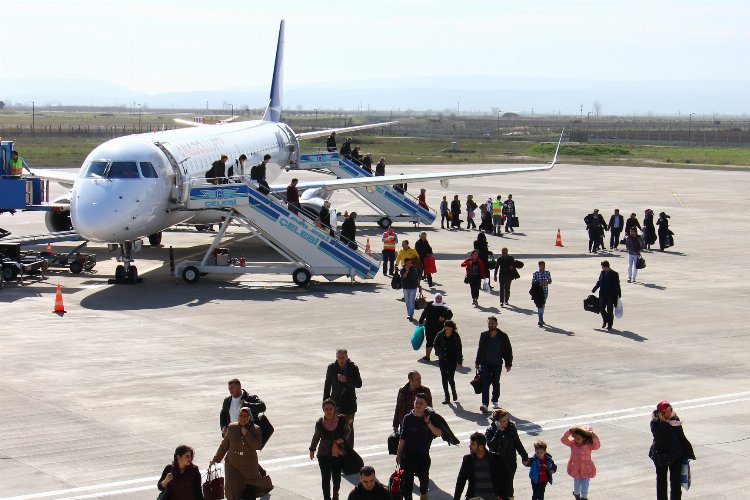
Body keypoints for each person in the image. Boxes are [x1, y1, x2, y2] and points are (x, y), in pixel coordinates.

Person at [210, 406, 268, 500]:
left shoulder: (255, 429)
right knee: (232, 491)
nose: (243, 418)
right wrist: (215, 460)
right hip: (233, 465)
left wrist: (247, 434)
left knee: (249, 493)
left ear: (250, 417)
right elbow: (224, 446)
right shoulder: (232, 427)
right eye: (241, 415)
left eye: (246, 416)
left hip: (249, 466)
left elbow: (257, 446)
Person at [396, 393, 442, 500]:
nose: (418, 405)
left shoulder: (430, 417)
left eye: (421, 403)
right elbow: (402, 438)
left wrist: (428, 423)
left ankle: (423, 495)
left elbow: (439, 433)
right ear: (414, 403)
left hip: (423, 455)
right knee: (407, 483)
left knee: (424, 481)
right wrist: (399, 454)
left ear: (426, 405)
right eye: (417, 402)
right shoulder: (407, 418)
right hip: (408, 455)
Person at [649, 401, 695, 500]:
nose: (670, 413)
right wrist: (663, 423)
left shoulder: (675, 419)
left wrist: (685, 453)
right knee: (661, 482)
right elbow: (659, 437)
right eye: (667, 411)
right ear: (661, 413)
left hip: (675, 455)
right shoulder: (655, 422)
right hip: (661, 456)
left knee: (675, 482)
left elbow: (679, 436)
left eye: (670, 410)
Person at [310, 398, 351, 500]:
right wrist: (312, 449)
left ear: (334, 409)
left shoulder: (341, 420)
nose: (328, 411)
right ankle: (327, 498)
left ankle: (335, 493)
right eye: (326, 409)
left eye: (330, 409)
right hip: (323, 454)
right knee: (325, 477)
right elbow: (316, 436)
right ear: (323, 410)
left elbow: (347, 431)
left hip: (337, 453)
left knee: (336, 476)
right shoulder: (319, 423)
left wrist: (342, 439)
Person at [486, 408, 529, 499]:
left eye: (506, 420)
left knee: (508, 488)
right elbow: (491, 445)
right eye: (503, 421)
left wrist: (524, 456)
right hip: (496, 465)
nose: (506, 422)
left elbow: (517, 443)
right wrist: (498, 431)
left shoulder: (511, 427)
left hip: (510, 463)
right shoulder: (490, 430)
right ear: (497, 422)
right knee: (497, 489)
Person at [323, 349, 362, 448]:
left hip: (349, 405)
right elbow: (327, 385)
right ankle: (336, 451)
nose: (341, 360)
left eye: (343, 358)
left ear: (347, 357)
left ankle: (349, 451)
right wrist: (325, 402)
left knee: (348, 428)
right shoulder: (332, 368)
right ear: (336, 357)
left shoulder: (353, 368)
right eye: (339, 358)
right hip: (335, 405)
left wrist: (346, 379)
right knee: (334, 428)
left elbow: (359, 384)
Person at [453, 432, 507, 500]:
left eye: (472, 444)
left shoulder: (497, 459)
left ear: (481, 447)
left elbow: (506, 478)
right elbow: (461, 481)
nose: (470, 446)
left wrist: (502, 495)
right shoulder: (468, 460)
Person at [474, 316, 513, 413]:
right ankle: (485, 404)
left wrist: (508, 364)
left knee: (496, 382)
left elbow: (508, 350)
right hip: (485, 364)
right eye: (489, 323)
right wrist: (477, 362)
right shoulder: (484, 335)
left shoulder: (503, 336)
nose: (490, 325)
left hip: (497, 364)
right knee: (485, 384)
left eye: (492, 323)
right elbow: (480, 349)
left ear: (496, 324)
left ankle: (495, 400)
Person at [561, 426, 600, 500]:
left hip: (586, 469)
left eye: (578, 439)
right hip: (576, 469)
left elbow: (597, 446)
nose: (576, 440)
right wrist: (569, 431)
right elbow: (563, 439)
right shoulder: (573, 444)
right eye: (575, 438)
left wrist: (594, 436)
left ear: (584, 438)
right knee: (577, 487)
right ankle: (576, 494)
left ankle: (584, 497)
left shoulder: (589, 446)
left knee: (585, 487)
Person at [433, 320, 462, 404]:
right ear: (444, 328)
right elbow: (435, 344)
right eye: (447, 329)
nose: (448, 330)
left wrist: (459, 361)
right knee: (444, 378)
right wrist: (438, 353)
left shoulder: (456, 335)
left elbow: (459, 348)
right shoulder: (440, 334)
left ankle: (453, 391)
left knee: (450, 377)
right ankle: (447, 397)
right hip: (442, 359)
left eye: (450, 329)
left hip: (452, 360)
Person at [418, 293, 453, 361]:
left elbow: (450, 315)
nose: (439, 299)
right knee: (429, 341)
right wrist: (420, 321)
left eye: (440, 298)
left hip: (440, 328)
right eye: (437, 298)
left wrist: (444, 318)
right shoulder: (429, 305)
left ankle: (441, 356)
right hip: (429, 327)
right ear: (435, 298)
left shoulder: (445, 306)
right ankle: (427, 356)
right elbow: (424, 313)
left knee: (441, 342)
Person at [591, 260, 621, 331]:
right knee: (601, 309)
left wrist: (619, 296)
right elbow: (599, 281)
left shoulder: (614, 274)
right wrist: (594, 288)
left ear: (606, 267)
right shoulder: (602, 273)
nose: (602, 269)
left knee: (610, 310)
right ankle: (606, 319)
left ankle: (610, 324)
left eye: (603, 267)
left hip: (610, 296)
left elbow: (617, 286)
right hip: (602, 294)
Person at [531, 261, 552, 327]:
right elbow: (533, 282)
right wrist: (538, 284)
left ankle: (541, 319)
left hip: (545, 291)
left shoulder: (547, 273)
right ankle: (540, 320)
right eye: (542, 265)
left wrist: (544, 283)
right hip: (538, 292)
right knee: (540, 305)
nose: (543, 266)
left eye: (544, 265)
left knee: (542, 305)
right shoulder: (536, 274)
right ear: (539, 266)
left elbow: (550, 281)